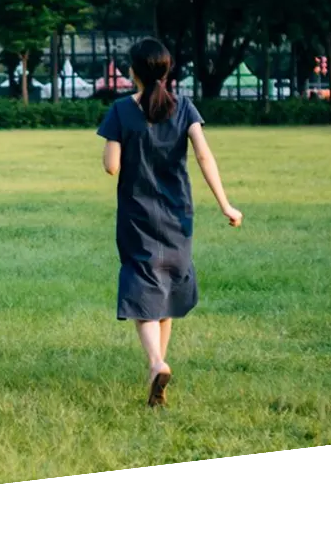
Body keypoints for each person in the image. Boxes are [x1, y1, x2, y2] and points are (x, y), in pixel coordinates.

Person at [97, 38, 243, 407]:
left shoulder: (121, 110)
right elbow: (204, 156)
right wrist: (226, 205)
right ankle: (156, 377)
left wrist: (115, 143)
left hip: (137, 214)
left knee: (141, 286)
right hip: (179, 214)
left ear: (133, 71)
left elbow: (111, 167)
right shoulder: (184, 108)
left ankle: (156, 363)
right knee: (167, 290)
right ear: (166, 70)